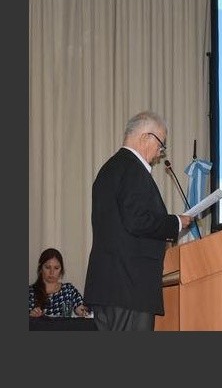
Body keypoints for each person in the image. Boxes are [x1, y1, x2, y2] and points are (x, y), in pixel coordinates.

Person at [84, 110, 193, 331]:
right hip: (130, 287)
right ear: (146, 137)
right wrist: (176, 223)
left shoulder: (109, 169)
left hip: (109, 287)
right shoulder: (133, 169)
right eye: (161, 145)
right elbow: (137, 221)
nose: (160, 153)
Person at [29, 248, 89, 318]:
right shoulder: (31, 292)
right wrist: (32, 315)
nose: (52, 272)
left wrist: (83, 311)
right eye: (47, 267)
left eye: (56, 268)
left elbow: (82, 309)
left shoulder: (68, 290)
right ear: (41, 269)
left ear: (61, 270)